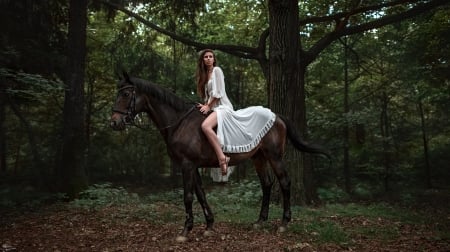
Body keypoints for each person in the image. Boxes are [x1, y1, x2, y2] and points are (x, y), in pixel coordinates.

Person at [196, 49, 276, 176]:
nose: (209, 58)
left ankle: (222, 158)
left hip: (223, 108)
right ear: (203, 60)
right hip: (214, 108)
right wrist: (205, 105)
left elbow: (219, 93)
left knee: (205, 126)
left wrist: (208, 106)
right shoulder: (205, 75)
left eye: (211, 56)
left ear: (214, 59)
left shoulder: (217, 70)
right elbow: (209, 95)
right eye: (206, 57)